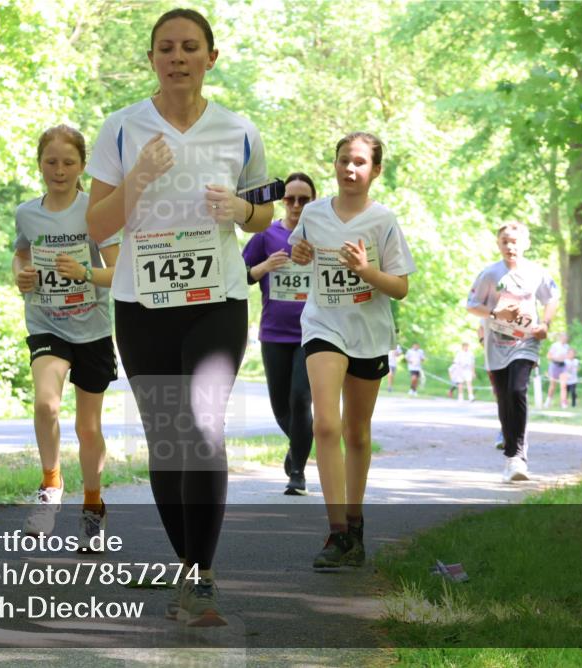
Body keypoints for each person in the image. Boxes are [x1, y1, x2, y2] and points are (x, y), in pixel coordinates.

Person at [85, 8, 274, 626]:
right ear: (151, 59)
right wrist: (138, 177)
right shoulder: (121, 128)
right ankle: (190, 571)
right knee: (169, 441)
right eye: (165, 48)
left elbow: (264, 214)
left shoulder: (238, 130)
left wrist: (241, 212)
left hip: (217, 299)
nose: (177, 57)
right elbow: (96, 226)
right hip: (143, 303)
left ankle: (204, 579)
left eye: (190, 47)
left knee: (204, 427)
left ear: (210, 58)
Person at [289, 131, 415, 569]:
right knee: (326, 423)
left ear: (375, 170)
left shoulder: (383, 220)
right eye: (344, 160)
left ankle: (355, 525)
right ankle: (337, 532)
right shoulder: (314, 213)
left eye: (360, 162)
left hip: (368, 332)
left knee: (356, 432)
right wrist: (300, 253)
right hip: (323, 325)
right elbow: (300, 250)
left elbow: (400, 287)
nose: (350, 168)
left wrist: (366, 270)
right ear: (335, 164)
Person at [13, 125, 120, 547]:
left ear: (82, 166)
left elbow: (119, 272)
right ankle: (50, 485)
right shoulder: (27, 213)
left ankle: (93, 506)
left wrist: (84, 273)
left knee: (88, 428)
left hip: (92, 328)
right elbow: (21, 253)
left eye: (68, 162)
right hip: (47, 322)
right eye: (51, 162)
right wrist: (21, 275)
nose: (59, 170)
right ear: (40, 164)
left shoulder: (96, 211)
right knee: (46, 403)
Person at [242, 172, 316, 495]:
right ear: (282, 201)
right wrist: (265, 267)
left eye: (304, 199)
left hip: (312, 333)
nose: (296, 205)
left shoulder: (322, 237)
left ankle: (297, 473)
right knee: (280, 407)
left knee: (300, 398)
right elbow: (240, 274)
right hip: (273, 334)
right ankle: (299, 444)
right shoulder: (266, 236)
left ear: (313, 201)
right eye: (290, 199)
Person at [467, 222, 558, 483]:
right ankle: (510, 456)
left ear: (525, 244)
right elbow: (472, 305)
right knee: (504, 398)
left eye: (514, 241)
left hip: (525, 342)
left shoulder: (536, 272)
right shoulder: (489, 274)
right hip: (496, 344)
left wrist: (545, 324)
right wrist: (496, 313)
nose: (510, 246)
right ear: (498, 244)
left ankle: (517, 457)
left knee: (517, 390)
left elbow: (552, 298)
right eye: (505, 241)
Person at [545, 332, 570, 409]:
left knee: (564, 385)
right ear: (561, 338)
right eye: (564, 337)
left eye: (566, 338)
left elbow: (568, 356)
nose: (565, 339)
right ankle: (548, 401)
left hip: (563, 366)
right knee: (553, 385)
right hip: (554, 365)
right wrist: (556, 358)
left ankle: (563, 403)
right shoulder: (555, 345)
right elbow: (549, 356)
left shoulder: (567, 346)